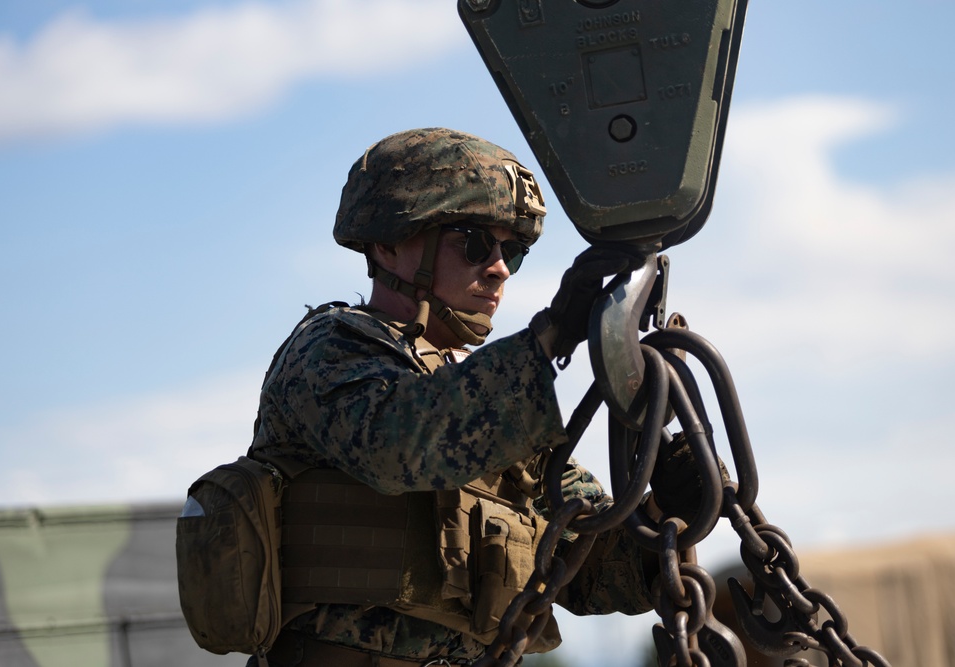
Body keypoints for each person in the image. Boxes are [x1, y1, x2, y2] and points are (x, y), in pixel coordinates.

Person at [247, 128, 653, 667]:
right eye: (474, 242)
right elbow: (397, 447)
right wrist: (550, 336)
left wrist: (665, 509)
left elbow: (591, 570)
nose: (499, 267)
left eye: (512, 251)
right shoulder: (330, 350)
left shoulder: (485, 394)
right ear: (390, 242)